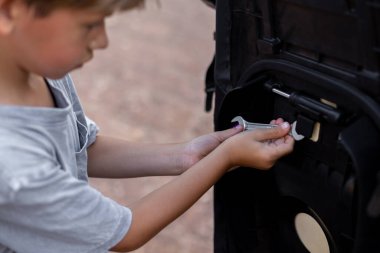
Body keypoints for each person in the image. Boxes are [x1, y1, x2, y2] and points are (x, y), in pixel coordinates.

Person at [0, 0, 295, 252]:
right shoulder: (13, 165)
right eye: (89, 25)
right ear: (11, 10)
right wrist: (224, 158)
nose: (102, 41)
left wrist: (185, 156)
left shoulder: (39, 71)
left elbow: (81, 148)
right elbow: (127, 232)